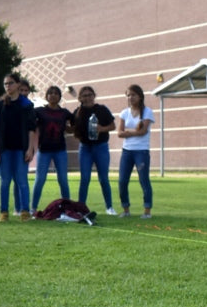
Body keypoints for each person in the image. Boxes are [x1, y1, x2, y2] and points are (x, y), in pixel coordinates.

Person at [0, 72, 37, 222]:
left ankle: (25, 211)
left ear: (18, 84)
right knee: (5, 181)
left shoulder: (26, 105)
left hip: (21, 149)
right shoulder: (0, 104)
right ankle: (4, 212)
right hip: (4, 149)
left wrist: (30, 149)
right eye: (5, 84)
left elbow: (31, 129)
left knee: (22, 180)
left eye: (10, 83)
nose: (8, 86)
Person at [72, 85, 117, 215]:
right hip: (85, 148)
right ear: (80, 98)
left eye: (90, 95)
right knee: (85, 178)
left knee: (103, 178)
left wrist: (101, 129)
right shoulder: (78, 112)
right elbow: (72, 128)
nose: (88, 98)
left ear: (94, 96)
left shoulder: (101, 109)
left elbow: (113, 126)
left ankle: (109, 207)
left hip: (100, 147)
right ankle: (81, 208)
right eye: (85, 95)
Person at [31, 85, 74, 214]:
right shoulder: (39, 111)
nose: (53, 95)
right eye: (50, 93)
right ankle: (33, 208)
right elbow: (29, 121)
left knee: (63, 179)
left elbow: (75, 124)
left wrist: (68, 128)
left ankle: (67, 208)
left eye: (56, 93)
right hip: (44, 150)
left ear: (60, 97)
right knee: (40, 179)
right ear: (47, 96)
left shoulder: (64, 113)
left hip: (60, 149)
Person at [117, 84, 155, 218]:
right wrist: (134, 131)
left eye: (133, 95)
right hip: (127, 151)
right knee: (122, 181)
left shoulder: (147, 112)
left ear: (140, 96)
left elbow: (143, 132)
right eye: (128, 95)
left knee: (144, 180)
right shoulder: (124, 113)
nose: (130, 97)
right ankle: (126, 210)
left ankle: (147, 210)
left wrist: (129, 132)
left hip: (141, 151)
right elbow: (120, 133)